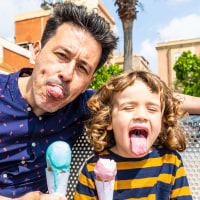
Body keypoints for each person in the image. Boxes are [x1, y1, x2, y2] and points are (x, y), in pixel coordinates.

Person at [0, 2, 118, 200]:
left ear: (89, 82)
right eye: (62, 55)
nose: (67, 74)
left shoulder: (82, 106)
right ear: (36, 52)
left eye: (82, 68)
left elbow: (146, 96)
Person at [75, 70, 192, 199]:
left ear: (162, 121)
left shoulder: (171, 163)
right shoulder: (93, 169)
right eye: (128, 108)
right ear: (108, 119)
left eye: (152, 109)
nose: (141, 115)